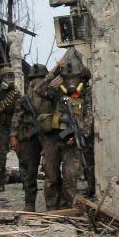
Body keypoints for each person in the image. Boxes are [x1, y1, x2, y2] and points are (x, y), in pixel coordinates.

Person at [36, 54, 91, 210]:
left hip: (73, 141)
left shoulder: (86, 93)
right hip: (52, 139)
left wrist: (79, 133)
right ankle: (52, 209)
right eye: (68, 78)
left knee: (70, 176)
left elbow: (89, 119)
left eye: (75, 78)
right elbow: (38, 90)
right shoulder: (55, 91)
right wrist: (54, 72)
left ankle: (67, 209)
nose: (71, 82)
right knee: (51, 176)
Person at [10, 63, 49, 211]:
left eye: (40, 79)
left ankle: (53, 204)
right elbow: (16, 118)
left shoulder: (50, 96)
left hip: (47, 136)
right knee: (29, 170)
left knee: (51, 171)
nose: (36, 82)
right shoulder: (24, 99)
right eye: (34, 79)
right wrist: (13, 136)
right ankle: (29, 203)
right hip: (29, 137)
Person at [0, 66, 21, 191]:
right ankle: (0, 183)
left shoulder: (16, 93)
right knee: (1, 155)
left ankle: (26, 182)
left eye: (11, 76)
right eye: (6, 77)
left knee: (21, 154)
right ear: (1, 78)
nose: (9, 79)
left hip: (15, 127)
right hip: (2, 128)